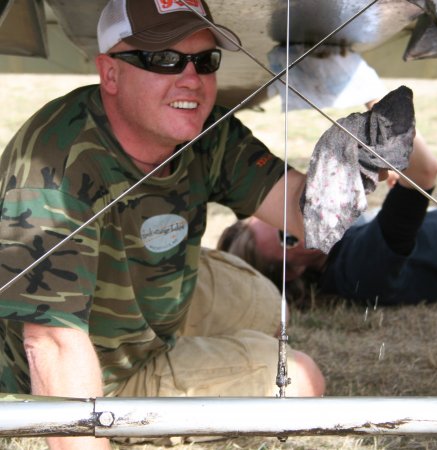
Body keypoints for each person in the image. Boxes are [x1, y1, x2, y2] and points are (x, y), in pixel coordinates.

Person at [0, 1, 327, 448]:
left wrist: (346, 176)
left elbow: (296, 206)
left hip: (156, 294)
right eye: (164, 59)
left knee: (272, 311)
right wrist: (84, 428)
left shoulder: (204, 130)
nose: (190, 78)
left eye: (204, 60)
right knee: (302, 381)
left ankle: (183, 342)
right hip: (109, 365)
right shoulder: (54, 167)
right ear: (110, 73)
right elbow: (51, 341)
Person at [218, 131, 437, 308]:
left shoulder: (342, 254)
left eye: (279, 215)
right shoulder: (358, 268)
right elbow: (425, 170)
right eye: (286, 236)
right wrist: (370, 95)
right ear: (293, 271)